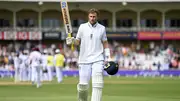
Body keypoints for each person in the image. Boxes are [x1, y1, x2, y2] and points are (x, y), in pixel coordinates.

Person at [66, 8, 110, 101]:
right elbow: (78, 41)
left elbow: (105, 42)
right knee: (83, 86)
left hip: (98, 58)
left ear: (97, 17)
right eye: (91, 16)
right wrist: (72, 41)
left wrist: (108, 55)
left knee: (98, 83)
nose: (92, 18)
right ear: (88, 16)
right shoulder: (82, 27)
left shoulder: (102, 28)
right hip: (84, 59)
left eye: (94, 16)